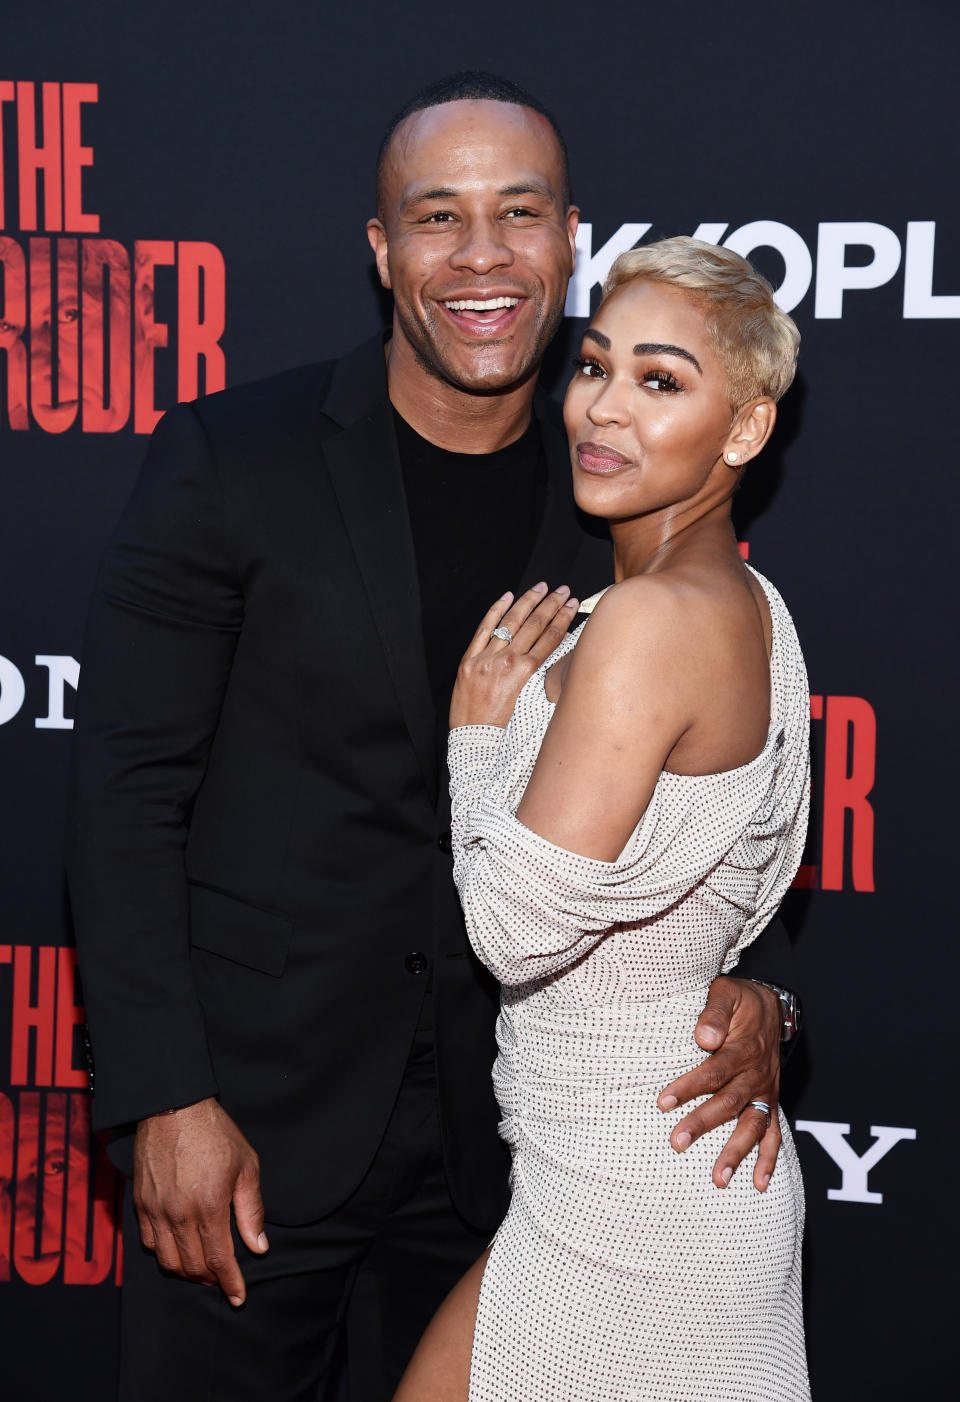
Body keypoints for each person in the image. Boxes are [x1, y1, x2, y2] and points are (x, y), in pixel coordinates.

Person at [66, 76, 801, 1402]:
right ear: (381, 248)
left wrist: (765, 990)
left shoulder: (619, 501)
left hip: (510, 1155)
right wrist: (162, 1095)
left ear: (569, 237)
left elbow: (721, 793)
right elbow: (125, 794)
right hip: (252, 1121)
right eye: (438, 216)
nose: (481, 257)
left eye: (518, 214)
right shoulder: (235, 458)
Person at [393, 237, 810, 1401]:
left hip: (642, 1189)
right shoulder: (743, 607)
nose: (604, 409)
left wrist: (478, 736)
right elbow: (716, 894)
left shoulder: (648, 622)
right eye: (594, 365)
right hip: (620, 1169)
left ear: (743, 431)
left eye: (661, 380)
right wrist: (770, 1000)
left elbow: (519, 930)